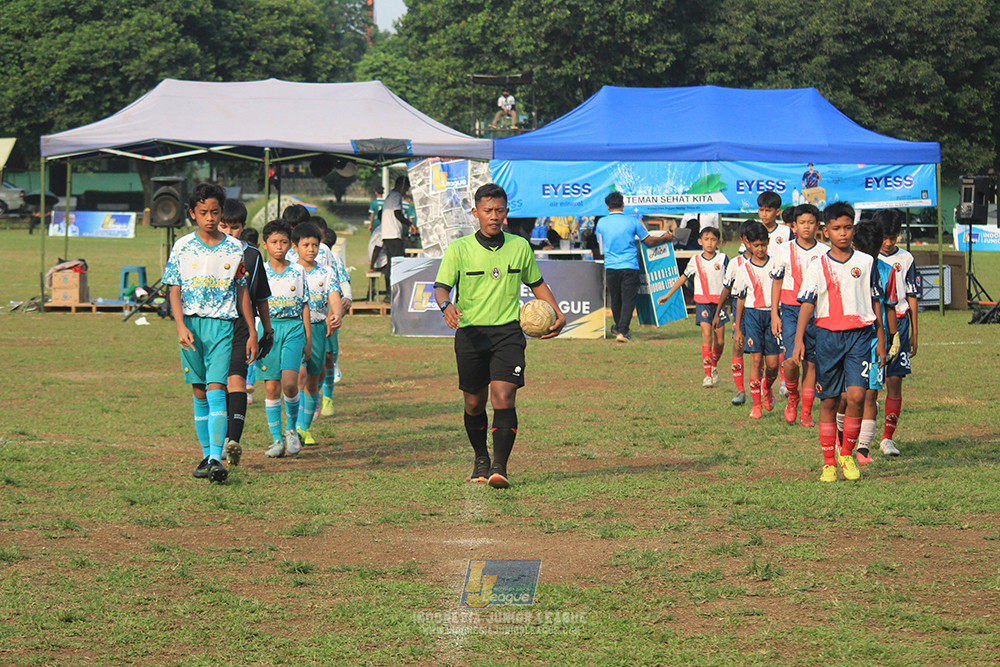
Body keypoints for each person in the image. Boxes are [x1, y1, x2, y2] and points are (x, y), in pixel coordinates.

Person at [433, 183, 566, 489]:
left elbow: (537, 284)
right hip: (471, 335)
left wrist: (557, 312)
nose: (494, 216)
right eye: (488, 211)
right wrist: (446, 305)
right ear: (476, 212)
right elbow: (441, 286)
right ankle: (481, 457)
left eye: (499, 210)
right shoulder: (460, 249)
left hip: (509, 333)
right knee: (473, 404)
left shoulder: (519, 247)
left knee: (503, 398)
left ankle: (499, 467)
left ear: (506, 212)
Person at [162, 183, 257, 483]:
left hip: (222, 326)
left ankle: (217, 457)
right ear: (192, 214)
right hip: (191, 325)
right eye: (203, 212)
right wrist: (180, 327)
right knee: (199, 391)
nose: (210, 218)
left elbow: (242, 291)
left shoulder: (234, 248)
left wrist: (252, 330)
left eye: (215, 212)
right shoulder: (182, 247)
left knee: (217, 388)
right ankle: (206, 454)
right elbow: (174, 290)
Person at [793, 202, 886, 483]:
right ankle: (829, 462)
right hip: (827, 337)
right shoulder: (817, 265)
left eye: (847, 228)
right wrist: (798, 340)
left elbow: (875, 300)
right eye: (836, 228)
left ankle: (847, 453)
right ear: (826, 232)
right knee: (830, 400)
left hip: (860, 335)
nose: (842, 233)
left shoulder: (866, 262)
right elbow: (807, 304)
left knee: (857, 396)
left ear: (854, 229)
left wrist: (881, 338)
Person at [217, 200, 273, 466]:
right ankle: (215, 444)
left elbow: (260, 296)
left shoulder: (252, 255)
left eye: (235, 227)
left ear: (243, 227)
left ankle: (232, 442)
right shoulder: (206, 253)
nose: (229, 233)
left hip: (242, 326)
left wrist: (266, 331)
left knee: (236, 381)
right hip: (213, 326)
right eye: (223, 226)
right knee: (214, 386)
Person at [769, 203, 828, 427]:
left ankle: (806, 411)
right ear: (794, 226)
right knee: (793, 359)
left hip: (817, 312)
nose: (806, 227)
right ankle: (792, 397)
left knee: (811, 363)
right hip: (791, 311)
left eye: (811, 222)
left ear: (818, 226)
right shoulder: (784, 250)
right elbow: (776, 281)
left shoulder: (824, 252)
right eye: (802, 223)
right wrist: (775, 314)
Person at [256, 220, 311, 458]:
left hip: (293, 328)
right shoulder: (260, 271)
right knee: (271, 387)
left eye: (284, 242)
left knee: (290, 384)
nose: (279, 247)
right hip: (268, 330)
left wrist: (308, 337)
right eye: (274, 242)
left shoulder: (298, 270)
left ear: (291, 244)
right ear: (265, 245)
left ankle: (291, 430)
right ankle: (276, 439)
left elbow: (306, 303)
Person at [851, 218, 899, 465]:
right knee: (848, 396)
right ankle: (843, 441)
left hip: (874, 340)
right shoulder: (848, 267)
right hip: (848, 337)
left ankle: (863, 447)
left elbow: (889, 305)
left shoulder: (887, 272)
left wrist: (894, 336)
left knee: (870, 395)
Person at [658, 227, 729, 387]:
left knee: (720, 341)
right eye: (706, 239)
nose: (709, 243)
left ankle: (714, 365)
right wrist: (668, 295)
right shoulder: (695, 260)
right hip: (703, 302)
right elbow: (683, 278)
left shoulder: (723, 259)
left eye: (713, 239)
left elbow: (731, 279)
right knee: (706, 335)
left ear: (718, 242)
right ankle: (707, 375)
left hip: (719, 304)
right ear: (700, 241)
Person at [595, 192, 671, 342]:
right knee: (628, 299)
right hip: (630, 265)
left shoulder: (601, 223)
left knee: (616, 299)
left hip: (611, 265)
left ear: (607, 206)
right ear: (623, 204)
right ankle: (623, 331)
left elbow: (600, 245)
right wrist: (665, 238)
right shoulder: (633, 221)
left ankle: (619, 327)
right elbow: (648, 240)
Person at [292, 222, 342, 446]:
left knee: (313, 379)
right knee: (299, 376)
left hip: (319, 328)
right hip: (295, 327)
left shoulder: (327, 272)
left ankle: (305, 427)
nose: (311, 249)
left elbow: (334, 296)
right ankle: (292, 427)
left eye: (315, 245)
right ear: (296, 247)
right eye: (306, 245)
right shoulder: (290, 270)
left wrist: (337, 314)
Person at [875, 209, 918, 457]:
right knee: (869, 386)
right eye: (885, 237)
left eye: (894, 237)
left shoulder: (907, 259)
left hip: (900, 324)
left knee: (894, 381)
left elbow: (911, 295)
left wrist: (914, 332)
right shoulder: (866, 259)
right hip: (872, 325)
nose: (889, 243)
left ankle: (887, 438)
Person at [732, 221, 781, 419]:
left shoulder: (776, 265)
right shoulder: (743, 269)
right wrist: (738, 328)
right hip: (752, 316)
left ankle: (767, 387)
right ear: (748, 245)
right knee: (755, 358)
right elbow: (740, 299)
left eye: (763, 245)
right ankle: (757, 405)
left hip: (771, 315)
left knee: (772, 365)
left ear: (768, 243)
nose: (760, 249)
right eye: (756, 245)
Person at [713, 220, 755, 406]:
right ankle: (740, 390)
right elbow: (726, 288)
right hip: (741, 309)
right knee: (738, 346)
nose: (753, 244)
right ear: (742, 240)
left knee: (760, 352)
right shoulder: (736, 263)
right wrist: (717, 311)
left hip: (762, 309)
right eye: (749, 240)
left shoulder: (770, 261)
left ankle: (765, 387)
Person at [381, 176, 416, 302]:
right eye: (406, 188)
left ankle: (390, 293)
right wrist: (410, 224)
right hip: (393, 235)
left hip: (387, 234)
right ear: (401, 186)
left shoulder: (390, 196)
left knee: (391, 264)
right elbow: (397, 214)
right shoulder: (396, 196)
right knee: (398, 264)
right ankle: (395, 294)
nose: (405, 192)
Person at [240, 226, 262, 404]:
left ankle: (247, 384)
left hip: (252, 315)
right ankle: (248, 383)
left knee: (251, 349)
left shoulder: (254, 258)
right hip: (251, 316)